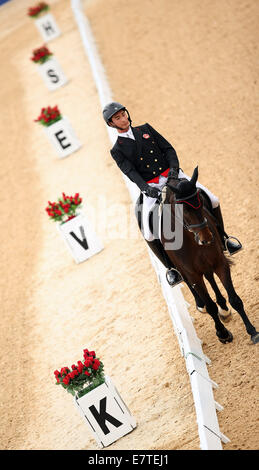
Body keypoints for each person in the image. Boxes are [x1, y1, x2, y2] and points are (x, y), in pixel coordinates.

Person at [103, 101, 242, 287]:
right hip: (152, 187)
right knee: (148, 231)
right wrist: (146, 189)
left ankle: (225, 240)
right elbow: (131, 172)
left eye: (123, 114)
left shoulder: (145, 129)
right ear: (112, 124)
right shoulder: (117, 150)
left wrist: (174, 171)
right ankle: (172, 269)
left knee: (213, 199)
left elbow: (168, 149)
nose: (123, 119)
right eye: (118, 118)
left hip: (172, 175)